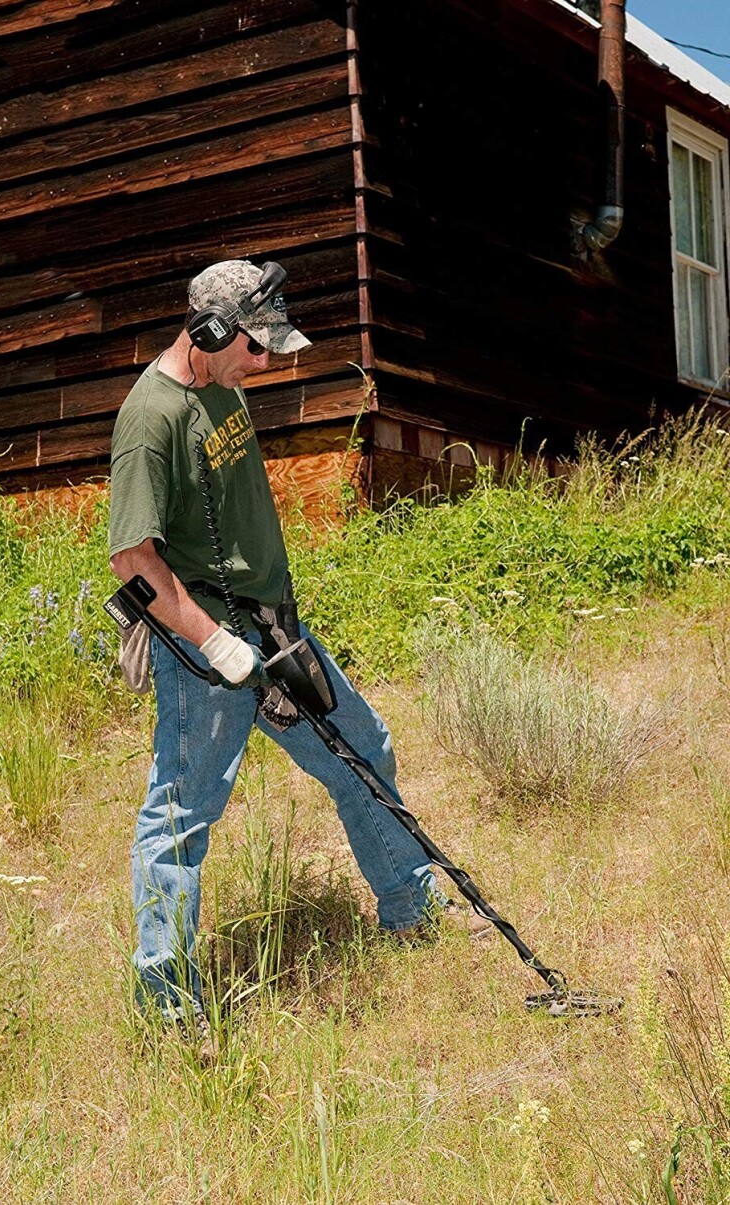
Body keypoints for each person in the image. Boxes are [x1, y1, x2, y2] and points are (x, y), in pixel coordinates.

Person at [108, 259, 488, 1050]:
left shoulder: (225, 381)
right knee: (178, 817)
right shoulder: (150, 421)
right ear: (210, 332)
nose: (269, 361)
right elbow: (134, 560)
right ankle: (168, 1000)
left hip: (274, 627)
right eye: (258, 346)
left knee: (362, 747)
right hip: (208, 651)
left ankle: (411, 910)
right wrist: (213, 641)